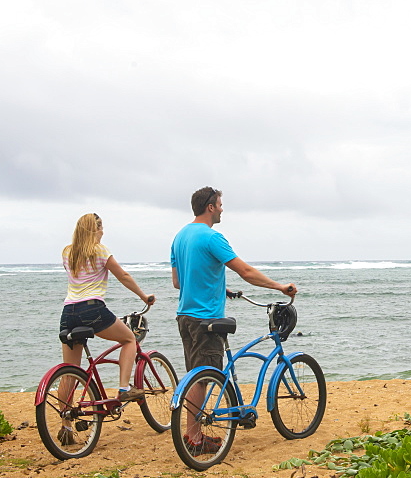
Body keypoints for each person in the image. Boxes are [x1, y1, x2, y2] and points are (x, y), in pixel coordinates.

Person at [170, 186, 297, 454]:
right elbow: (246, 272)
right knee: (203, 379)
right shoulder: (212, 237)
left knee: (196, 376)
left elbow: (178, 282)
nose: (222, 209)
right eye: (220, 204)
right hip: (206, 318)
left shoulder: (180, 237)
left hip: (185, 316)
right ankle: (193, 438)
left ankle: (194, 433)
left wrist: (218, 288)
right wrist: (279, 287)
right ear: (210, 207)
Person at [59, 213, 155, 445]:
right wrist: (144, 296)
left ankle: (65, 426)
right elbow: (122, 275)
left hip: (67, 313)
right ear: (96, 229)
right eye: (102, 229)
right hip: (92, 309)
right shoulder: (100, 250)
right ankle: (123, 388)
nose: (103, 233)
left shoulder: (67, 252)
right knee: (129, 339)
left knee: (70, 370)